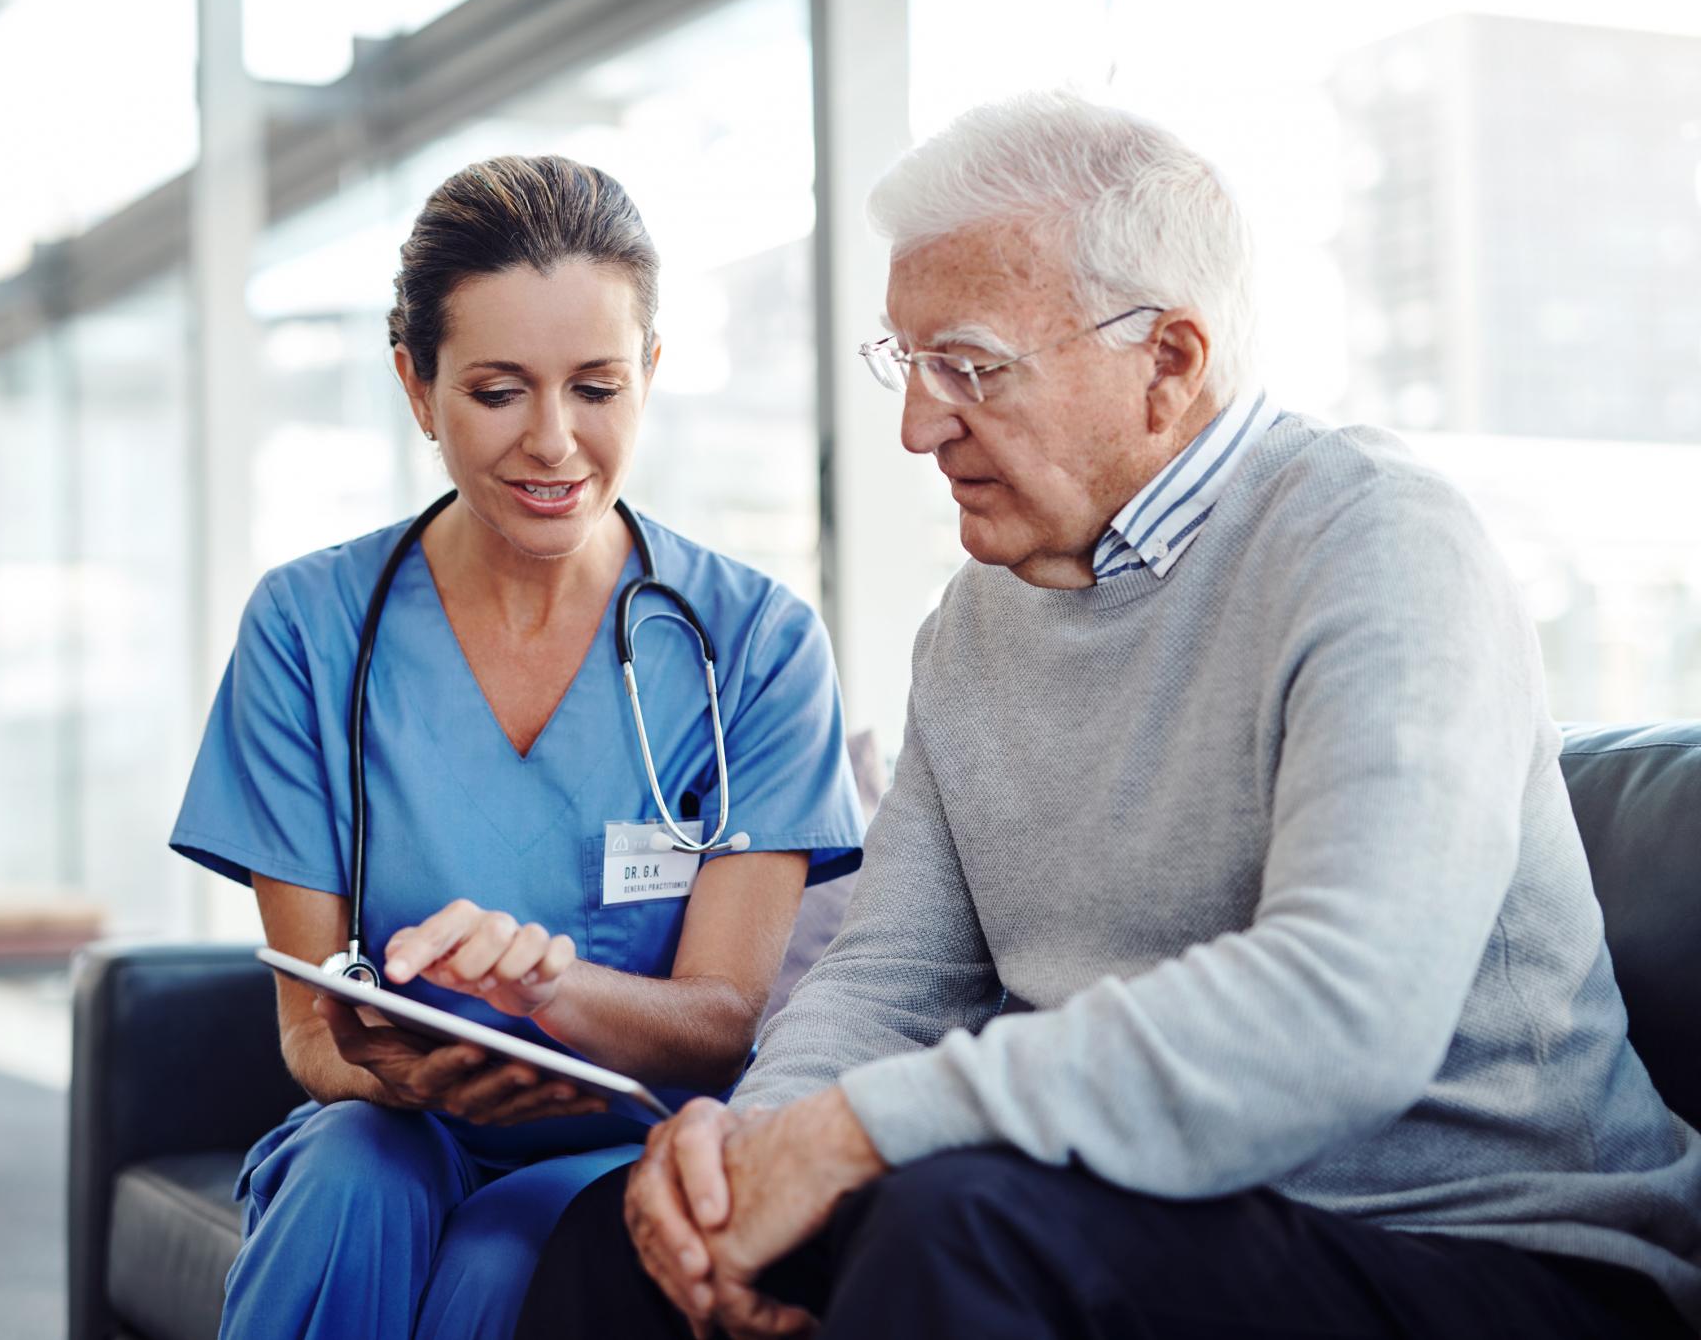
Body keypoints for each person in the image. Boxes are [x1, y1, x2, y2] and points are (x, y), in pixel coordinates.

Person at [517, 93, 1701, 1339]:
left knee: (959, 1225)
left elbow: (1345, 1010)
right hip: (1147, 1218)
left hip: (1490, 1246)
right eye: (904, 364)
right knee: (625, 1240)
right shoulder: (972, 627)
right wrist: (748, 1156)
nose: (918, 424)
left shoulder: (1376, 541)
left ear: (1167, 363)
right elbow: (890, 978)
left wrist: (859, 1133)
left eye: (967, 366)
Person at [170, 153, 865, 1340]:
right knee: (350, 1174)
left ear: (649, 373)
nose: (554, 442)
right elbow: (308, 1028)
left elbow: (722, 1021)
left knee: (506, 1255)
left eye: (596, 386)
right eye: (497, 392)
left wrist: (550, 989)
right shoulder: (306, 630)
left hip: (625, 1143)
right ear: (415, 384)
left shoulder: (753, 644)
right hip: (389, 1123)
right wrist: (386, 1068)